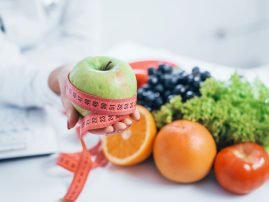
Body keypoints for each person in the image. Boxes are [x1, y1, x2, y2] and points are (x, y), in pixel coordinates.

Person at [0, 0, 139, 134]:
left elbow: (81, 44)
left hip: (54, 102)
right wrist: (54, 77)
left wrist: (63, 76)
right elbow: (4, 73)